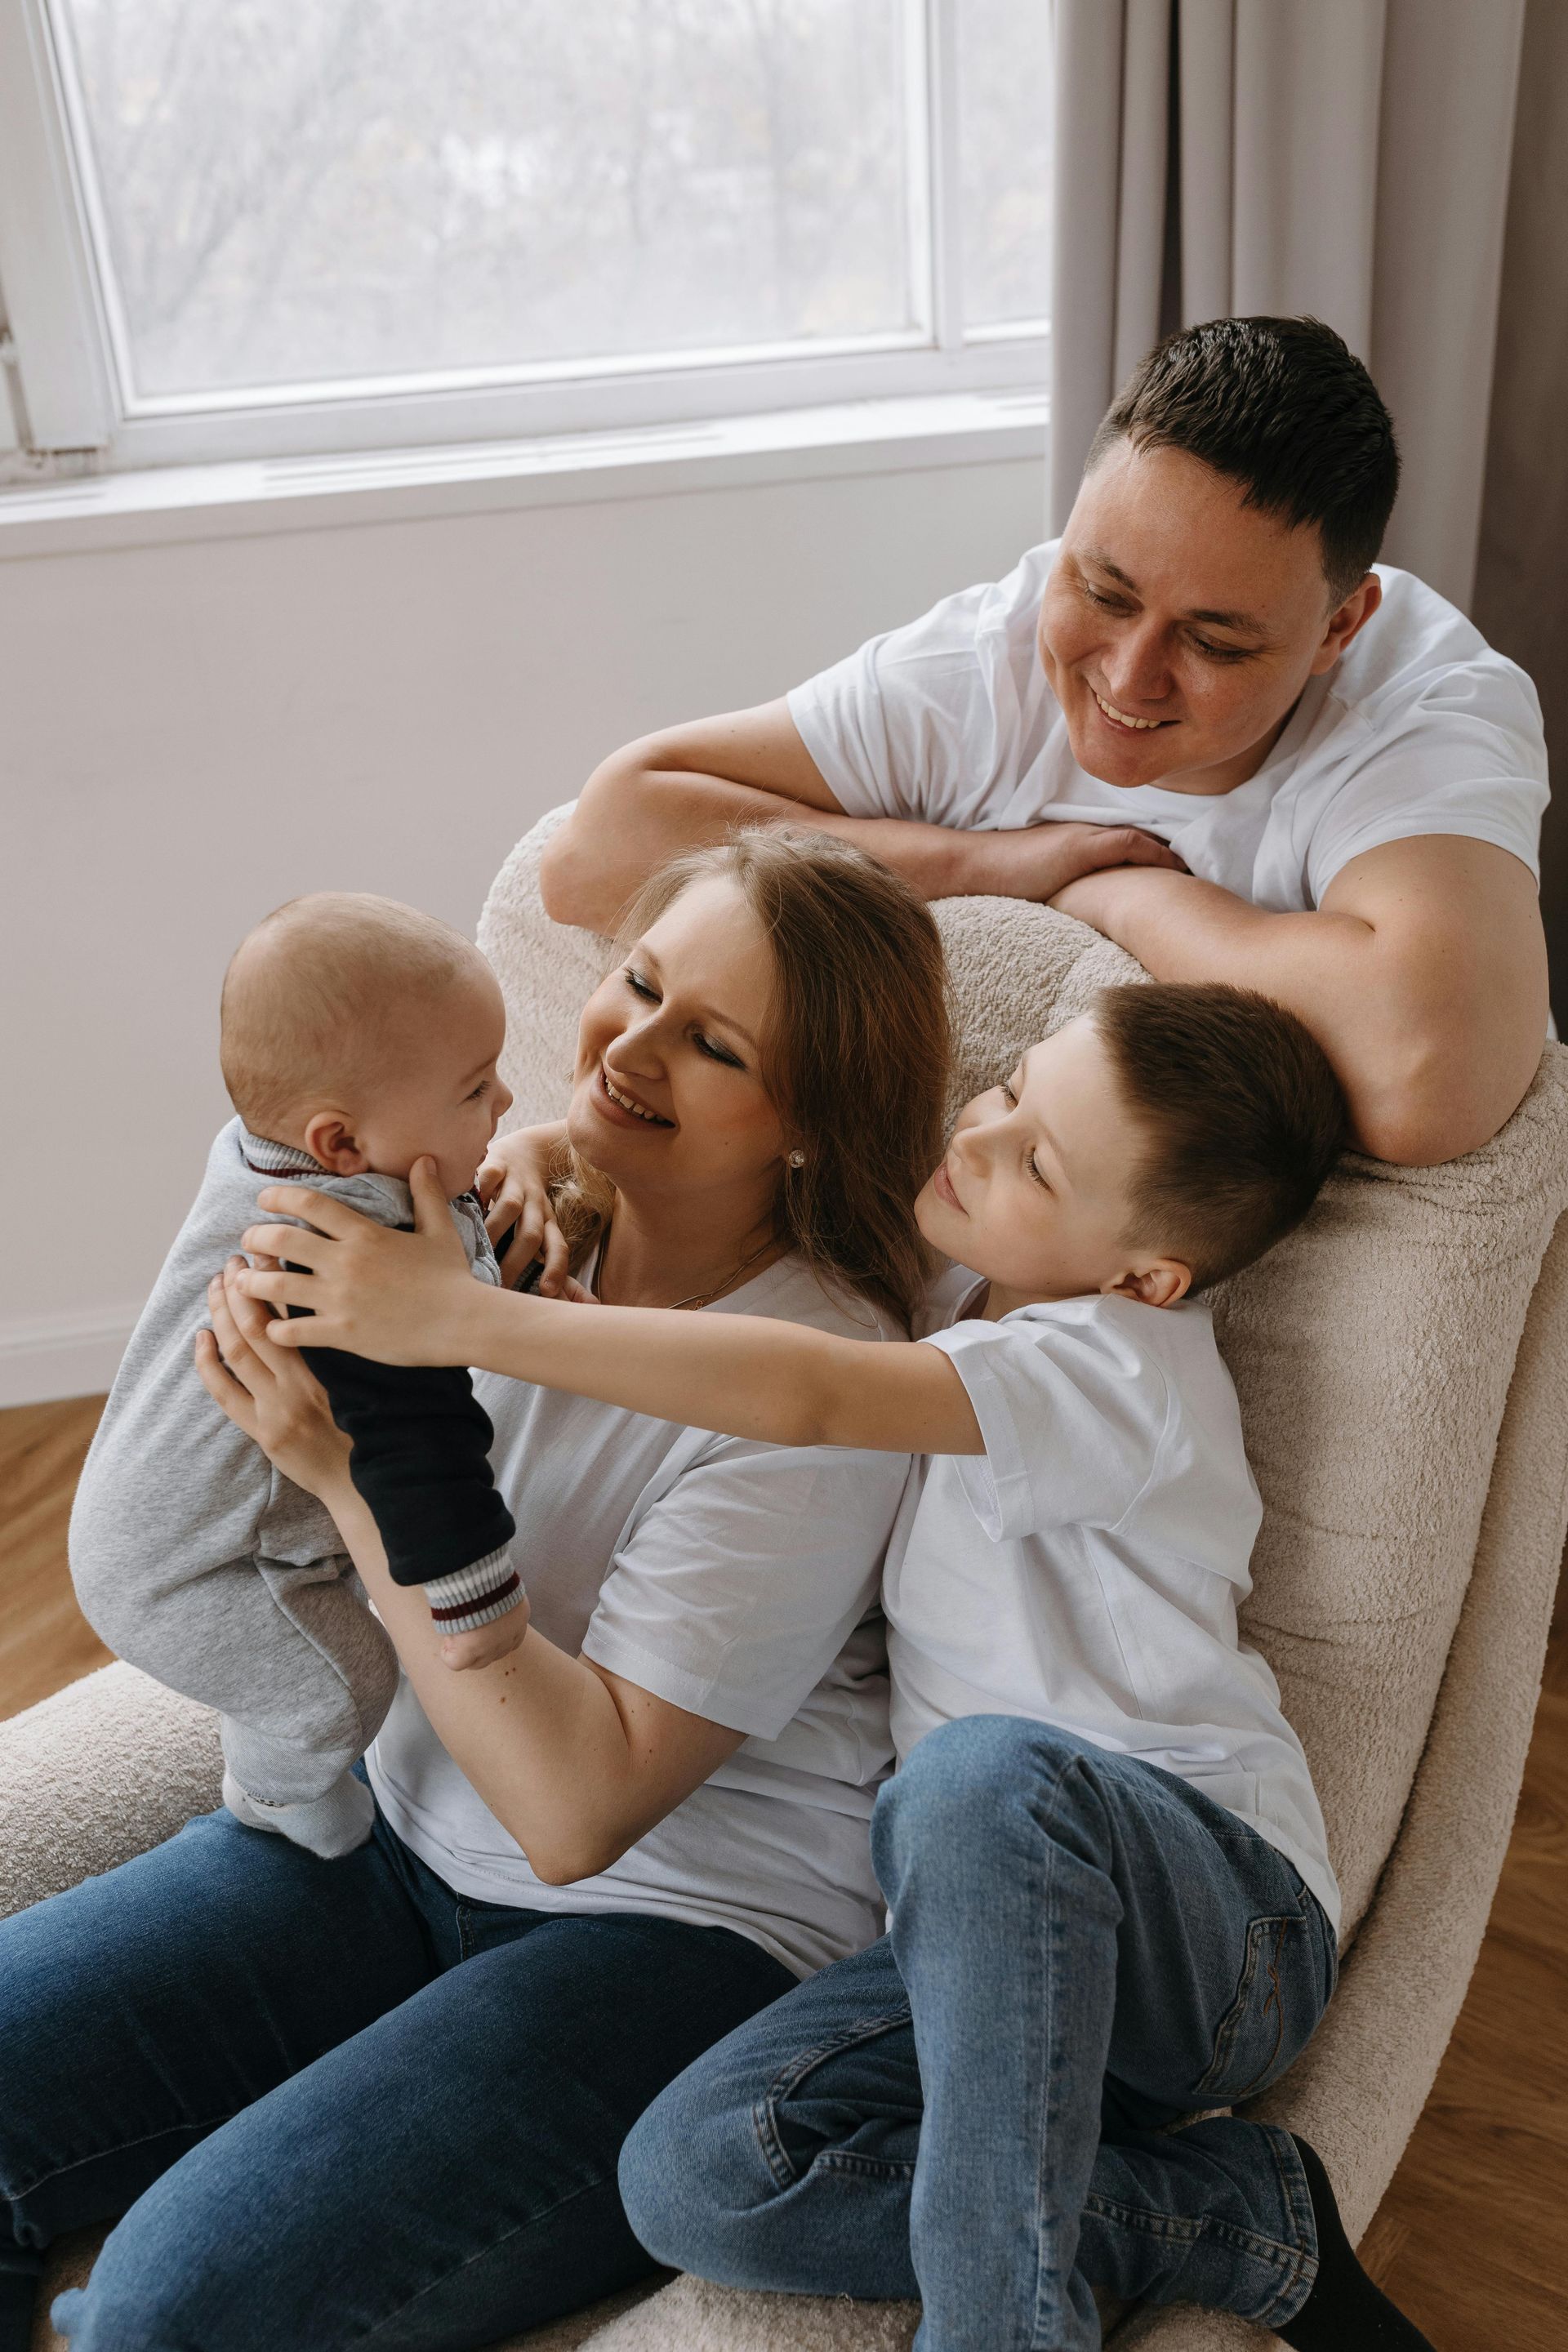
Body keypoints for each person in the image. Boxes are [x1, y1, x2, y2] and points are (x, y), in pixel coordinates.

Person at [230, 981, 1433, 2350]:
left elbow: (800, 1387)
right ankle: (1240, 2223)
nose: (976, 1139)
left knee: (982, 1780)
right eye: (1009, 1092)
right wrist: (552, 1152)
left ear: (1149, 1272)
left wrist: (458, 1322)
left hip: (1211, 1933)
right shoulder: (948, 1281)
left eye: (1036, 1160)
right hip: (995, 1944)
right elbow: (757, 1244)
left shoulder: (1120, 1367)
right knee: (696, 2171)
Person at [0, 829, 948, 2352]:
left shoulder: (820, 1394)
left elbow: (577, 1815)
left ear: (810, 1126)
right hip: (392, 1838)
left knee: (175, 2309)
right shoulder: (475, 1225)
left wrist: (351, 1474)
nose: (629, 1048)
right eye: (637, 985)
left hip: (661, 1935)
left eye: (709, 1044)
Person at [540, 315, 1550, 1169]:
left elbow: (1428, 1079)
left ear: (1340, 627)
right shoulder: (989, 657)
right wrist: (983, 865)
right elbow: (598, 852)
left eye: (1213, 641)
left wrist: (1121, 893)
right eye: (1102, 591)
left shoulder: (1427, 711)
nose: (1127, 674)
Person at [69, 893, 528, 1866]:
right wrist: (481, 1609)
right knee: (345, 1686)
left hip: (138, 1513)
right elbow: (424, 1437)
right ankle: (276, 1800)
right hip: (183, 1572)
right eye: (477, 1089)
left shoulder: (253, 1158)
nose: (509, 1107)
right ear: (339, 1148)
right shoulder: (345, 1261)